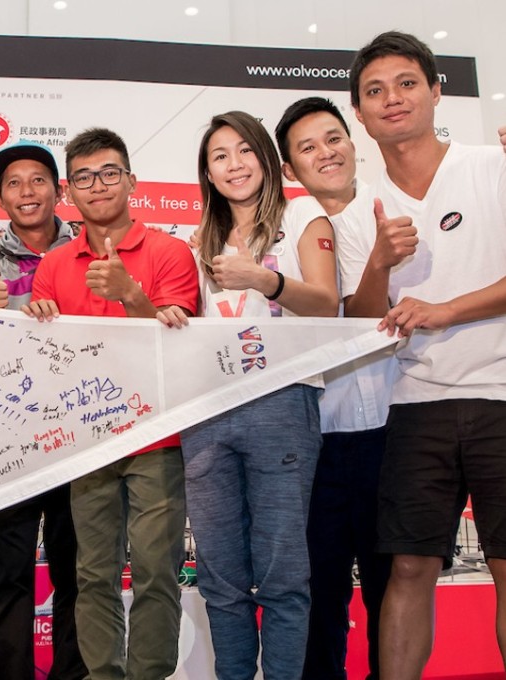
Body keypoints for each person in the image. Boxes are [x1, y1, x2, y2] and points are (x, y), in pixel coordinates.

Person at [339, 31, 506, 677]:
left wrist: (445, 311)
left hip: (499, 395)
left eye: (407, 83)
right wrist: (380, 263)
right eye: (375, 91)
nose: (392, 99)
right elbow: (358, 321)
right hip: (415, 406)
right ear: (360, 112)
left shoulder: (491, 168)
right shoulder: (359, 216)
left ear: (437, 91)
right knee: (408, 566)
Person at [159, 110, 339, 678]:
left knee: (283, 573)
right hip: (209, 411)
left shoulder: (303, 214)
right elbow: (192, 325)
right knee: (220, 576)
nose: (234, 165)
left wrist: (265, 280)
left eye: (244, 151)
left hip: (282, 404)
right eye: (220, 156)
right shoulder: (199, 240)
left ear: (265, 157)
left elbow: (326, 304)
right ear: (207, 175)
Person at [22, 128, 198, 680]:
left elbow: (180, 346)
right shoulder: (53, 265)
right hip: (87, 441)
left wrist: (131, 294)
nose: (97, 185)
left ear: (131, 180)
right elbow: (46, 359)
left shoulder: (170, 253)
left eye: (109, 172)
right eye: (84, 177)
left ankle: (150, 675)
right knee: (92, 573)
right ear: (69, 191)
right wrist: (34, 323)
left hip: (157, 439)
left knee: (155, 570)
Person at [274, 97, 394, 680]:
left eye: (333, 138)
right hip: (314, 438)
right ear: (290, 169)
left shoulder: (392, 206)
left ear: (353, 140)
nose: (326, 153)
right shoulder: (284, 230)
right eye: (307, 147)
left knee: (392, 587)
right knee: (319, 591)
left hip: (396, 428)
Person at [0, 143, 85, 680]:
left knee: (75, 570)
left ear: (58, 190)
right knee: (8, 571)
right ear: (0, 196)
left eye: (38, 181)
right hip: (6, 440)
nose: (27, 192)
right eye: (14, 183)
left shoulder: (89, 254)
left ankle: (71, 674)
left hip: (77, 435)